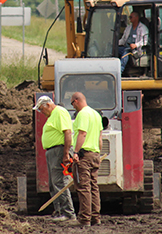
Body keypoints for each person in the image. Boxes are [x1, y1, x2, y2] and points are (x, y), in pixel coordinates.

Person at [33, 95, 76, 223]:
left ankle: (68, 213)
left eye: (41, 109)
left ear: (48, 105)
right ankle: (59, 211)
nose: (41, 112)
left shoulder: (59, 112)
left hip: (59, 150)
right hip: (53, 151)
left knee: (59, 182)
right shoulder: (52, 115)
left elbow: (67, 132)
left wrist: (66, 153)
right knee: (53, 184)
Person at [69, 92, 103, 227]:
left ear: (76, 101)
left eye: (72, 104)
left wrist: (75, 152)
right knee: (94, 187)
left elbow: (82, 133)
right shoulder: (96, 114)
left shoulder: (83, 114)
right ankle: (95, 217)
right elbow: (100, 138)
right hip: (95, 154)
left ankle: (84, 219)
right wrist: (98, 154)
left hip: (85, 156)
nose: (73, 107)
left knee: (84, 187)